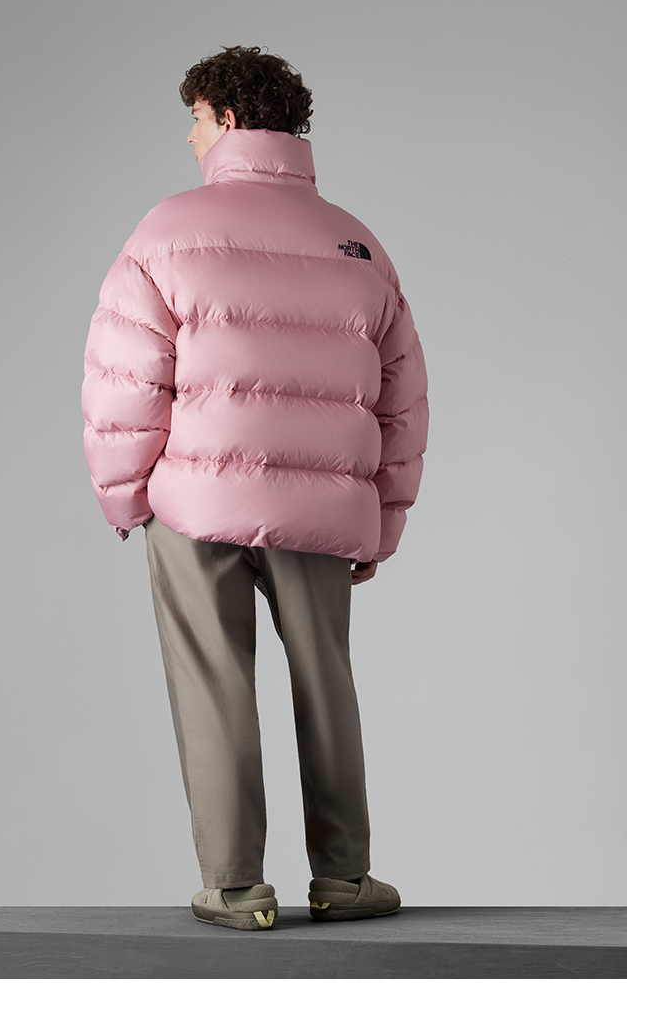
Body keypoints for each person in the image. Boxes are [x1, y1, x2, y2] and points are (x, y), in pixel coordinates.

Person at [81, 45, 429, 931]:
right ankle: (344, 879)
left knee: (214, 682)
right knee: (327, 680)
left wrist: (127, 498)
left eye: (196, 118)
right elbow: (402, 399)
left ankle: (237, 888)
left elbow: (125, 378)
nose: (189, 135)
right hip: (321, 511)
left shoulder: (166, 230)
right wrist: (381, 523)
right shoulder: (358, 243)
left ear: (229, 118)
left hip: (194, 507)